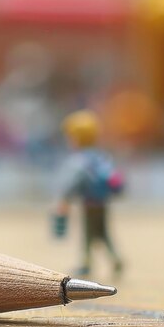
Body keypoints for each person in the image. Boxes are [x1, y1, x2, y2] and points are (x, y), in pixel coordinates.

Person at [52, 110, 124, 276]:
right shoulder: (101, 156)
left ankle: (86, 263)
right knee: (103, 233)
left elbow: (73, 183)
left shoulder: (79, 160)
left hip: (89, 204)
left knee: (88, 235)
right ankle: (115, 259)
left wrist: (64, 201)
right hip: (102, 203)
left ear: (76, 138)